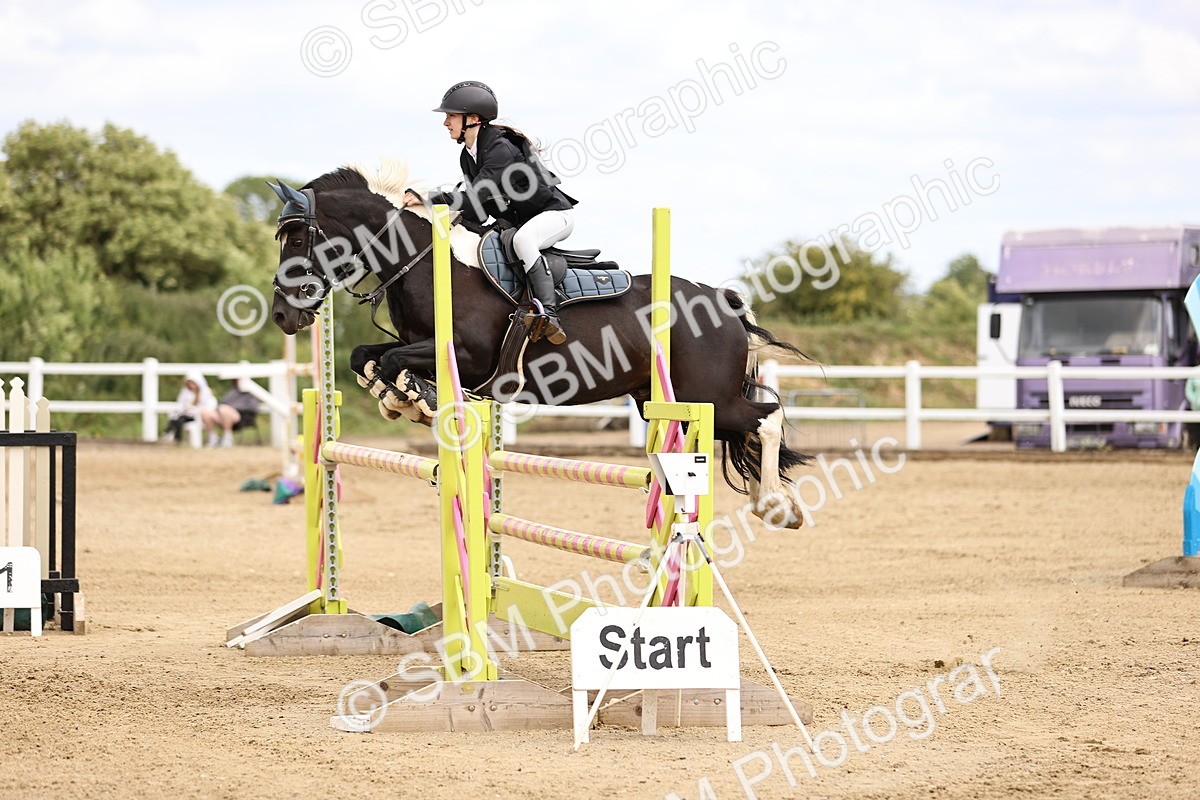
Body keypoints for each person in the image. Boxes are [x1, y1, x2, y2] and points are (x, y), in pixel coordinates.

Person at [404, 80, 578, 344]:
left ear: (472, 119)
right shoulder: (468, 155)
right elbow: (478, 210)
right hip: (519, 221)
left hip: (553, 216)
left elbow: (478, 194)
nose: (446, 123)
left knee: (524, 240)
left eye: (451, 116)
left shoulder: (501, 148)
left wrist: (428, 197)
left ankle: (549, 314)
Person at [162, 370, 217, 443]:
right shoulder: (185, 392)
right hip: (186, 414)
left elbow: (210, 406)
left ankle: (172, 436)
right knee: (177, 418)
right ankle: (173, 436)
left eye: (193, 383)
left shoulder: (205, 392)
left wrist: (194, 410)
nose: (191, 386)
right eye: (189, 383)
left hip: (199, 416)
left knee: (180, 419)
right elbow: (180, 404)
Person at [200, 383, 260, 448]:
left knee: (224, 409)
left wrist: (232, 408)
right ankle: (213, 439)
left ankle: (228, 439)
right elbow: (222, 403)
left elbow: (252, 407)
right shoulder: (232, 392)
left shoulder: (251, 393)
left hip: (240, 416)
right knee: (205, 412)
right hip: (222, 415)